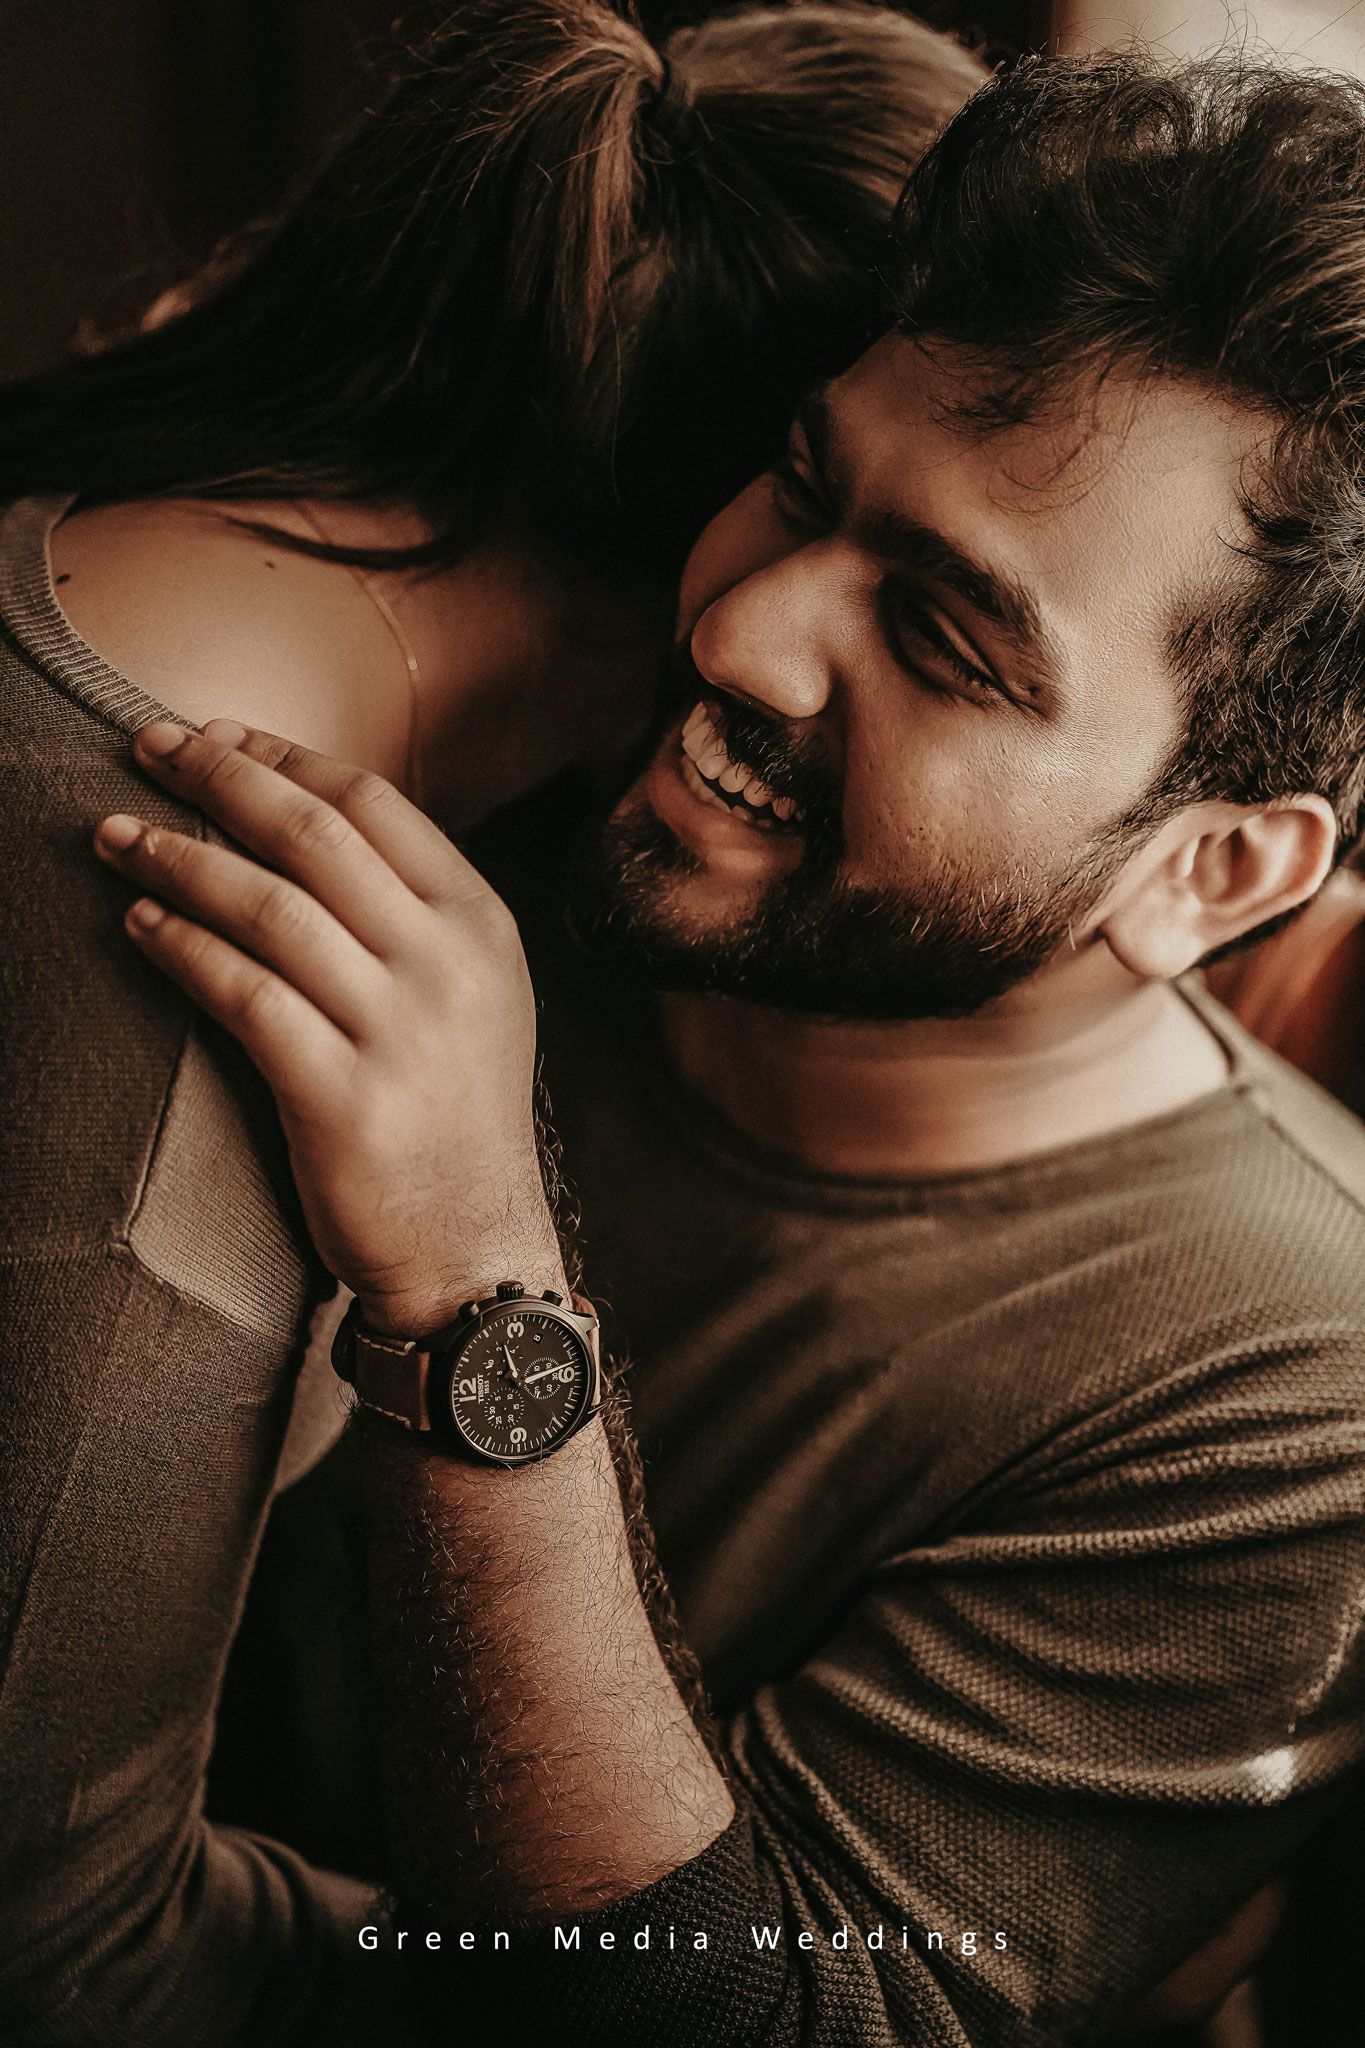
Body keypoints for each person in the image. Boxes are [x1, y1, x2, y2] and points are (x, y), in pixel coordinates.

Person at [98, 47, 1365, 2048]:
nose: (740, 633)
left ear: (1210, 869)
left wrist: (473, 1287)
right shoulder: (549, 811)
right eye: (800, 478)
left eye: (941, 640)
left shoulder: (1299, 1381)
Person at [0, 6, 988, 2043]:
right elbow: (50, 1956)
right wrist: (629, 1988)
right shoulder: (177, 1011)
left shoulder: (102, 526)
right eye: (947, 621)